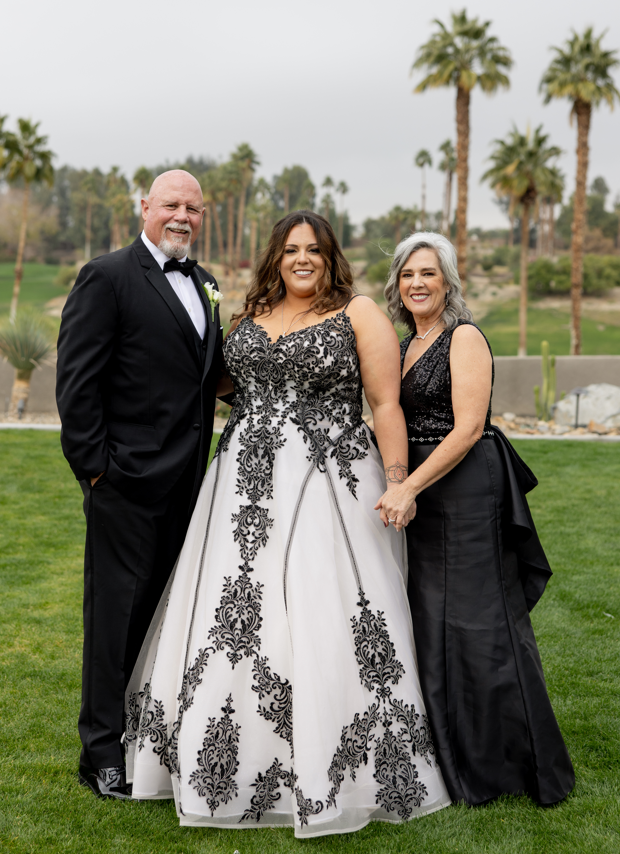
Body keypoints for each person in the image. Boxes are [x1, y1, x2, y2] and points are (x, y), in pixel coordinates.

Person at [125, 211, 450, 836]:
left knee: (320, 607)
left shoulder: (358, 314)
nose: (304, 259)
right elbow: (219, 383)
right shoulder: (246, 320)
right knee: (236, 611)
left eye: (316, 250)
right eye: (292, 249)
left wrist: (399, 477)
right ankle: (225, 766)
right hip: (242, 485)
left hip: (329, 481)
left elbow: (384, 402)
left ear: (331, 259)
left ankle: (336, 770)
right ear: (275, 256)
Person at [376, 231, 575, 807]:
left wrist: (408, 485)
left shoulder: (464, 338)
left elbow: (467, 429)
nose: (417, 283)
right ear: (396, 283)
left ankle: (512, 763)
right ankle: (450, 755)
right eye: (408, 274)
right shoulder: (406, 344)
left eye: (429, 274)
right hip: (422, 494)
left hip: (465, 489)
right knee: (431, 620)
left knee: (481, 624)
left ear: (448, 282)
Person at [56, 170, 223, 800]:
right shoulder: (108, 276)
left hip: (189, 484)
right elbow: (77, 383)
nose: (183, 215)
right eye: (172, 204)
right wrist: (98, 468)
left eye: (194, 207)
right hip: (125, 482)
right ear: (145, 207)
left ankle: (144, 738)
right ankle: (100, 752)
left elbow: (203, 378)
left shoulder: (204, 284)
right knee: (114, 620)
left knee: (161, 616)